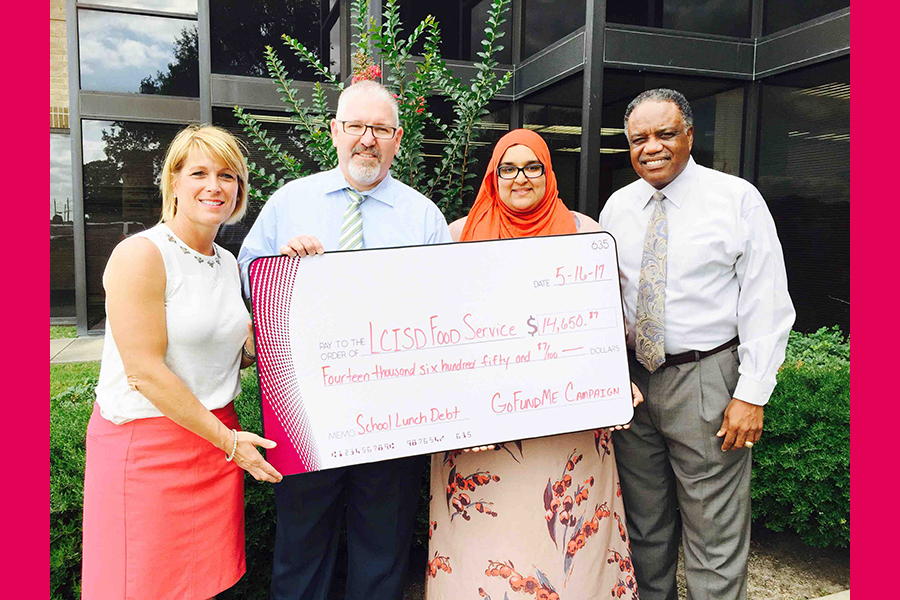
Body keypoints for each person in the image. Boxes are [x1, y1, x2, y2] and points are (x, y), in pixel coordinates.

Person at [237, 80, 452, 600]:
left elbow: (446, 303)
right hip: (305, 407)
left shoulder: (422, 216)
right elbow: (247, 278)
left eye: (379, 128)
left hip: (394, 413)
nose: (366, 139)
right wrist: (280, 270)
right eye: (355, 126)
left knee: (382, 550)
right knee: (301, 545)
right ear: (334, 131)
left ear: (398, 138)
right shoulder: (291, 203)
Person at [427, 128, 642, 600]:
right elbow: (434, 335)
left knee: (567, 543)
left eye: (532, 167)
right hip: (481, 437)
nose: (520, 178)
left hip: (568, 429)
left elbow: (602, 323)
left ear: (549, 173)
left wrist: (614, 380)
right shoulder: (454, 236)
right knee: (487, 544)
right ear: (493, 175)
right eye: (508, 168)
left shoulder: (585, 233)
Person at [599, 88, 796, 600]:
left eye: (665, 134)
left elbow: (766, 300)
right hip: (634, 386)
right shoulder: (618, 207)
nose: (652, 147)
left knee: (714, 535)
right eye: (639, 138)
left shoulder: (736, 199)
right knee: (644, 527)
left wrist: (752, 393)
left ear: (689, 135)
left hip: (707, 381)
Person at [81, 125, 283, 600]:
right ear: (173, 181)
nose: (215, 186)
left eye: (228, 175)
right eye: (199, 173)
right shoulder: (141, 255)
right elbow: (144, 373)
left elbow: (236, 350)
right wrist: (231, 444)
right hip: (149, 446)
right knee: (140, 586)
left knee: (205, 585)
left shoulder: (228, 261)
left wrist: (300, 285)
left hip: (214, 441)